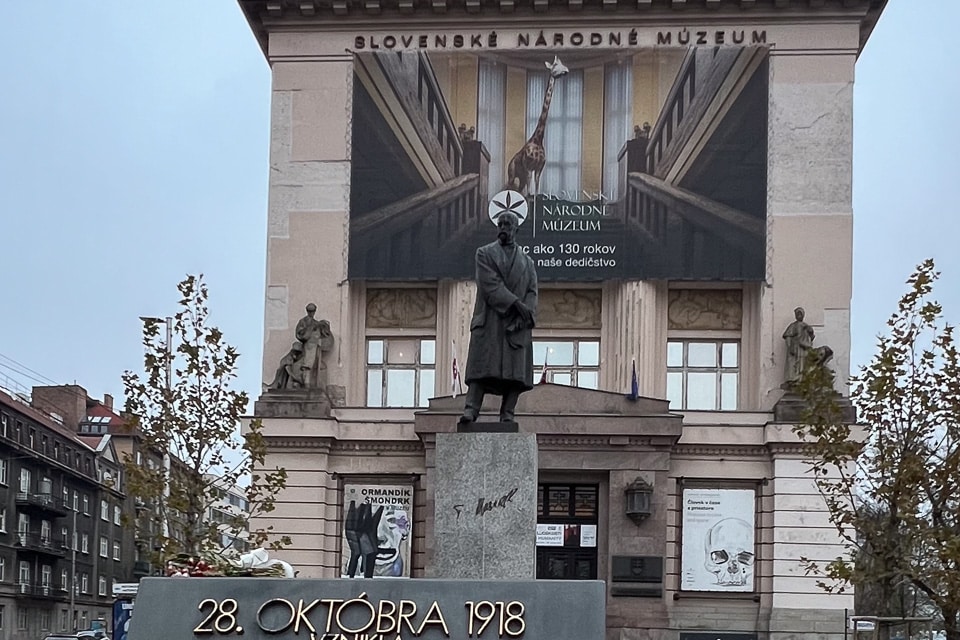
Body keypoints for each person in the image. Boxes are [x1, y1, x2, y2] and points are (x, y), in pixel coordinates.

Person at [459, 211, 538, 423]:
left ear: (516, 229)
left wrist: (526, 315)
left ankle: (508, 413)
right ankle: (471, 409)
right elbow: (490, 284)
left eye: (507, 224)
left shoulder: (528, 263)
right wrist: (516, 304)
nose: (503, 227)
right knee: (482, 368)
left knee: (515, 373)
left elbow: (532, 291)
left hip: (516, 324)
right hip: (491, 319)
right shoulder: (484, 253)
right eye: (500, 223)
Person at [295, 304, 334, 389]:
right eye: (310, 311)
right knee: (307, 364)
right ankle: (306, 383)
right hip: (309, 345)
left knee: (316, 364)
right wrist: (310, 329)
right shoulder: (303, 321)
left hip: (317, 345)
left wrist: (325, 326)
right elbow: (299, 334)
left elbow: (325, 333)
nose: (311, 313)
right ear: (307, 311)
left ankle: (313, 383)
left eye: (312, 311)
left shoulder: (317, 323)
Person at [782, 306, 815, 388]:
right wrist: (789, 347)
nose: (799, 316)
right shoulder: (793, 325)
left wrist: (810, 332)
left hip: (804, 348)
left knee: (803, 363)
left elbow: (811, 337)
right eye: (797, 314)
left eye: (800, 314)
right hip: (795, 348)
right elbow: (788, 336)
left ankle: (802, 379)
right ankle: (793, 379)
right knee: (794, 363)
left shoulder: (806, 326)